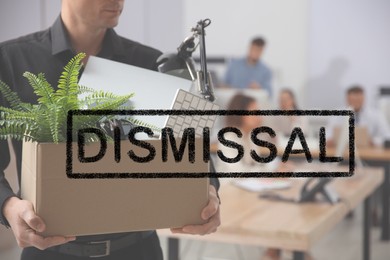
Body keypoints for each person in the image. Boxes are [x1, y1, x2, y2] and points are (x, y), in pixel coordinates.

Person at [0, 1, 220, 259]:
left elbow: (193, 152)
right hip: (49, 252)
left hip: (138, 250)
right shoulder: (11, 60)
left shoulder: (151, 62)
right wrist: (8, 206)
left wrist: (209, 191)